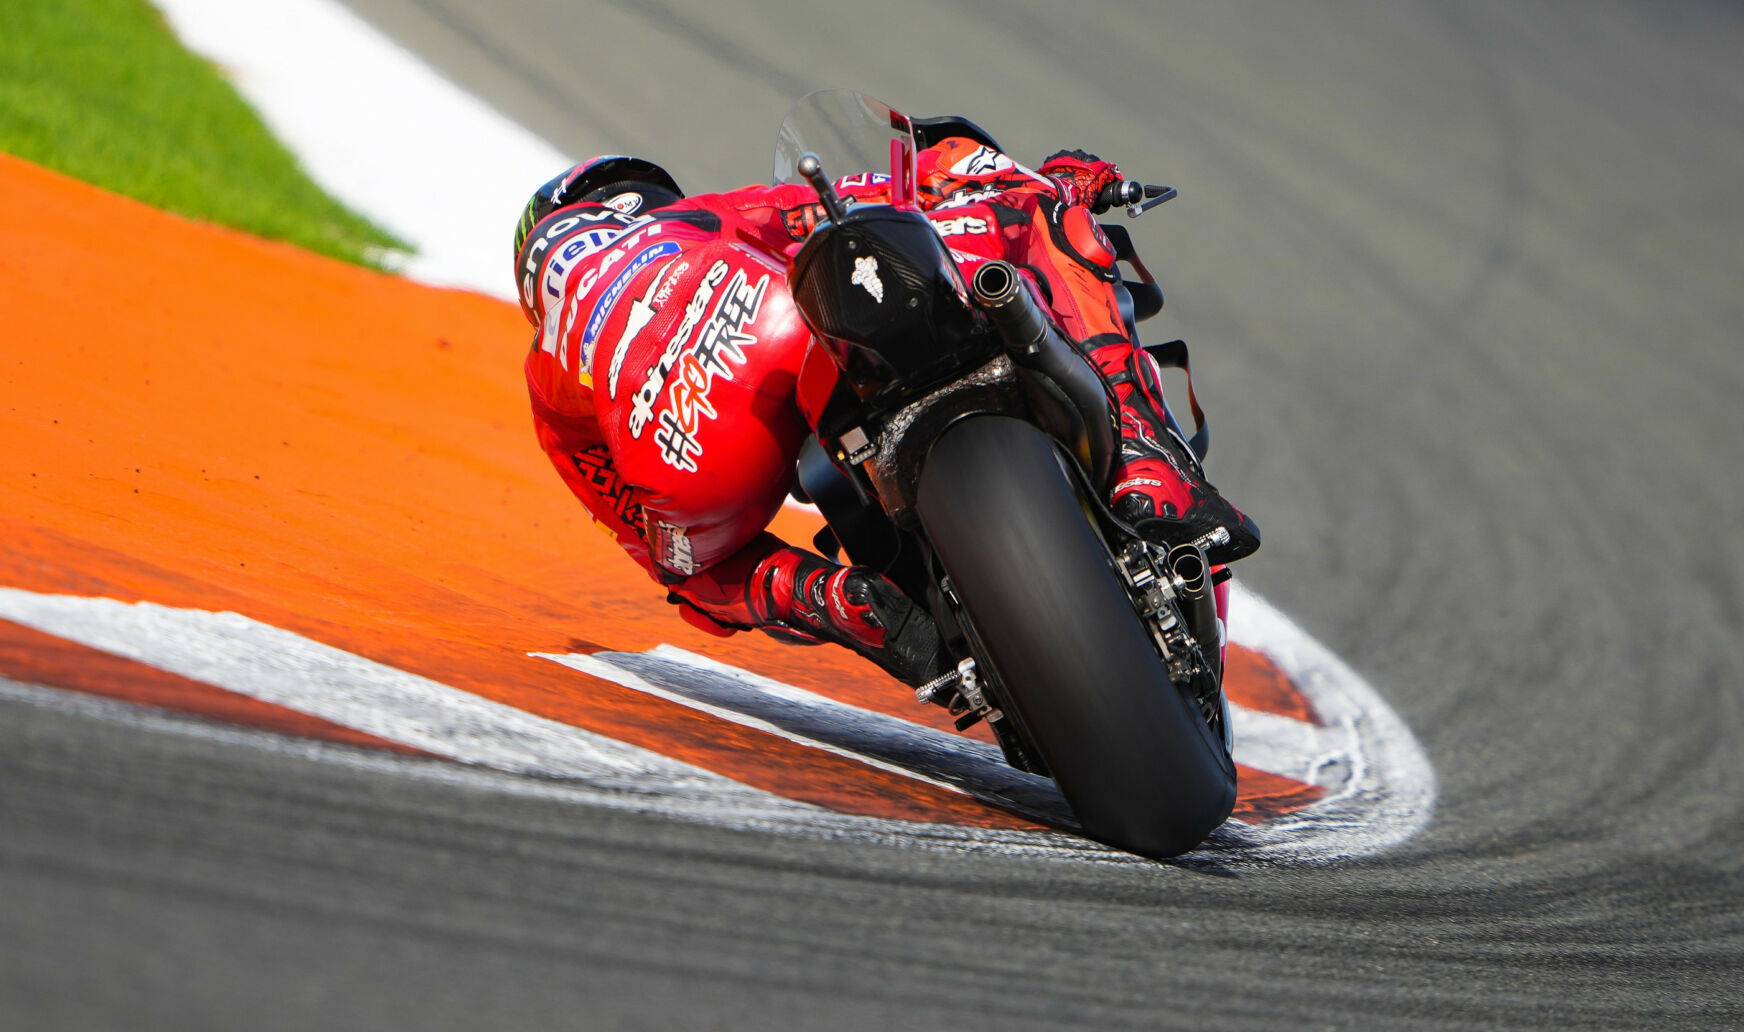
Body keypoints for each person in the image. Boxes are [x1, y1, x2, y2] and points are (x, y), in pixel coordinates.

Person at [513, 138, 1258, 687]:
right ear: (634, 201)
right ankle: (1143, 462)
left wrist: (788, 590)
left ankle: (847, 603)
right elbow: (908, 187)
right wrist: (1058, 177)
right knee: (1030, 208)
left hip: (683, 464)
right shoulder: (705, 220)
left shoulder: (548, 378)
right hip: (772, 331)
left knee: (697, 564)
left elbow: (669, 563)